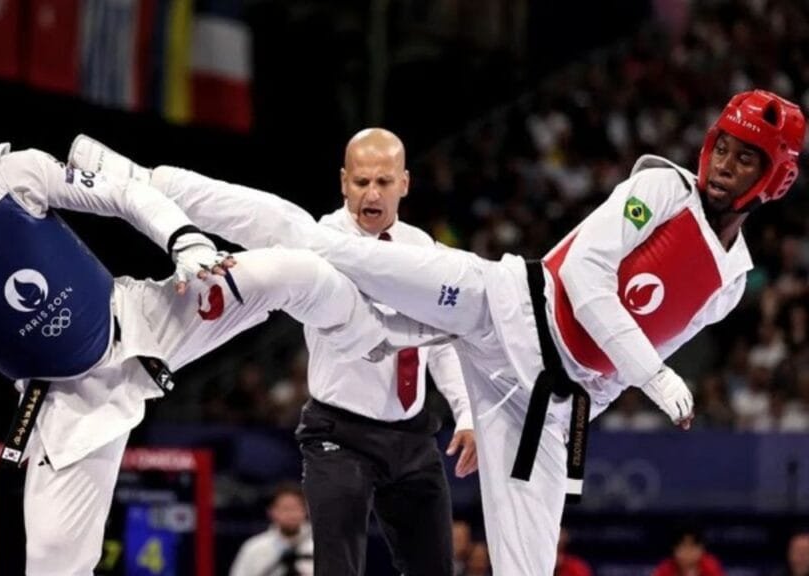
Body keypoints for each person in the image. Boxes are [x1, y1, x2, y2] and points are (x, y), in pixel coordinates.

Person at [76, 89, 806, 575]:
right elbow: (583, 281)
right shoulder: (660, 188)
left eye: (746, 160)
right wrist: (655, 376)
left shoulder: (731, 281)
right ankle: (140, 183)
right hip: (503, 308)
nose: (724, 166)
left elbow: (615, 367)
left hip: (538, 408)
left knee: (526, 568)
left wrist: (534, 412)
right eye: (723, 148)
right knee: (308, 245)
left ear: (773, 180)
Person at [0, 65, 439, 576]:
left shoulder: (21, 172)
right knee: (54, 568)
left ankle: (383, 335)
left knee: (297, 270)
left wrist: (183, 239)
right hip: (68, 405)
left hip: (148, 316)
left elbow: (124, 191)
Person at [229, 483, 313, 576]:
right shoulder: (254, 548)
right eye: (285, 508)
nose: (291, 514)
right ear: (271, 512)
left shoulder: (320, 547)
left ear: (306, 510)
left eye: (296, 508)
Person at [651, 527, 725, 576]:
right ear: (674, 550)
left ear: (702, 549)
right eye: (683, 547)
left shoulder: (711, 567)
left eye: (692, 547)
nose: (688, 552)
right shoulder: (665, 569)